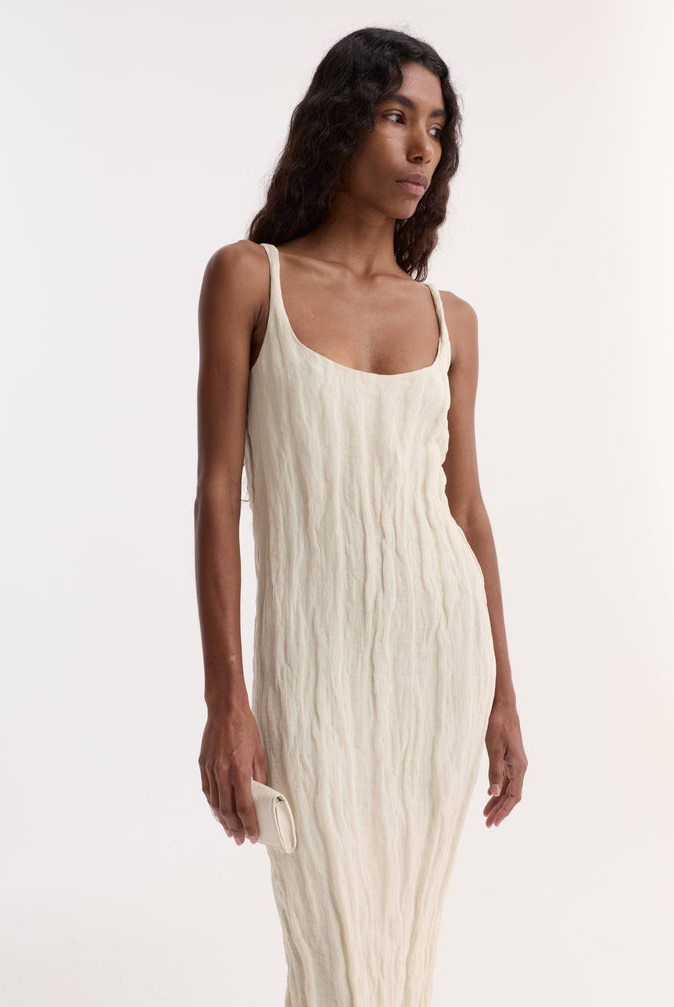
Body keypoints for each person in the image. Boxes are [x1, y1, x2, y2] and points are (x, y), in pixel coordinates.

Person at [194, 25, 527, 1007]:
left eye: (436, 126)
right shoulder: (249, 277)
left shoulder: (450, 319)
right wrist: (228, 698)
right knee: (333, 943)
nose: (423, 148)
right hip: (312, 661)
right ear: (340, 127)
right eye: (395, 118)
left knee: (398, 950)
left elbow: (466, 508)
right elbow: (218, 492)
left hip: (438, 654)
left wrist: (504, 695)